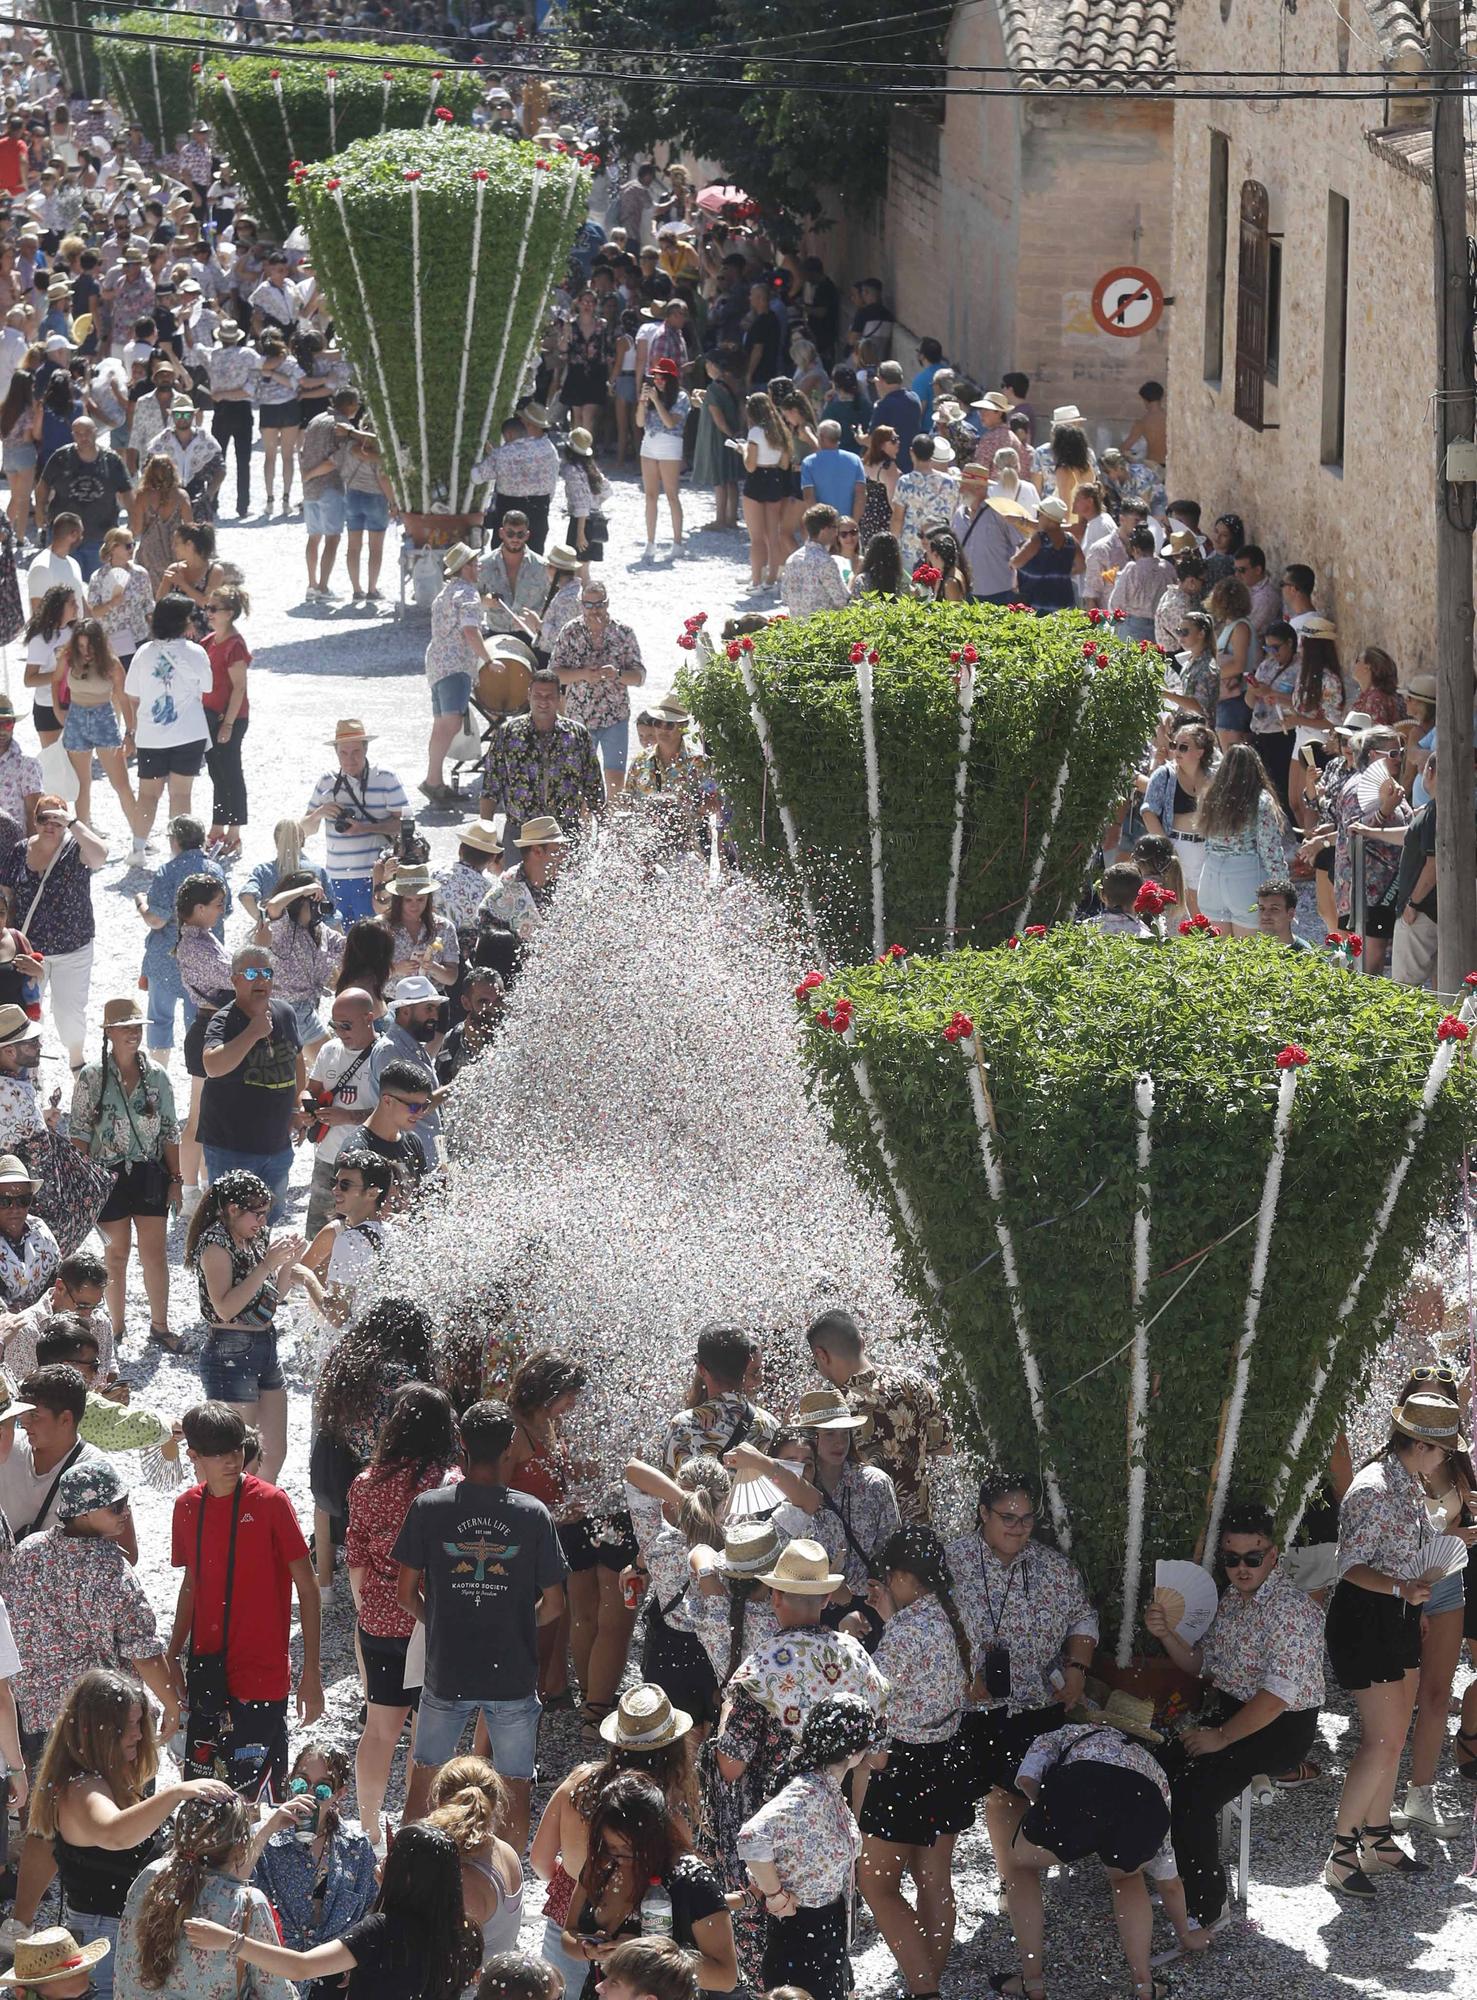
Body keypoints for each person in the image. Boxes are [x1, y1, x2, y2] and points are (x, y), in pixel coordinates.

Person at [701, 1538, 887, 1992]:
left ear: (777, 1596)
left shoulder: (762, 1667)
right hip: (828, 1823)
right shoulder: (857, 1658)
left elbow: (730, 1764)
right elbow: (877, 1754)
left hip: (771, 1825)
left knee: (775, 1944)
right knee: (823, 1941)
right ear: (825, 1599)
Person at [393, 1398, 566, 1839]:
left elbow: (405, 1594)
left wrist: (443, 1619)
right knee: (515, 1784)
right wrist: (518, 1623)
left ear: (461, 1445)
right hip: (511, 1674)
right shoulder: (532, 1515)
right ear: (511, 1446)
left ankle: (412, 1869)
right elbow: (556, 1604)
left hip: (447, 1669)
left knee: (427, 1777)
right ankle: (504, 1884)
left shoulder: (430, 1507)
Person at [1150, 1500, 1326, 1928]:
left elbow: (1276, 1698)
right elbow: (1202, 1663)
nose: (1241, 1568)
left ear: (1272, 1555)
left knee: (1193, 1794)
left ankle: (1209, 1908)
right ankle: (1173, 1879)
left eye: (1252, 1558)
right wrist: (1166, 1635)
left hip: (1279, 1730)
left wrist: (1221, 1737)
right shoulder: (1232, 1599)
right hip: (1234, 1713)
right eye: (1231, 1559)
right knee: (1155, 1767)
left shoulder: (1291, 1612)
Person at [1323, 1393, 1466, 1896]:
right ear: (1423, 1445)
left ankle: (1378, 1840)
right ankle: (1341, 1854)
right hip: (1366, 1621)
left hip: (1398, 1616)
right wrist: (1402, 1590)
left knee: (1393, 1739)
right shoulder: (1373, 1488)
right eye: (1445, 1452)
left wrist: (1412, 1604)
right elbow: (1350, 1566)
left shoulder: (1407, 1482)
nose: (1446, 1462)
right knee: (1379, 1742)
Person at [18, 1672, 234, 1990]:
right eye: (129, 1726)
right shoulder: (82, 1790)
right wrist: (177, 1793)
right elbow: (115, 1835)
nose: (137, 1735)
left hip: (126, 1937)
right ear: (96, 1731)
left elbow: (45, 1845)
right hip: (105, 1943)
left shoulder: (109, 1783)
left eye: (139, 1723)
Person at [985, 1717, 1207, 2000]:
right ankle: (1144, 1984)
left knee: (1020, 1865)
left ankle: (1033, 1982)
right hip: (1142, 1802)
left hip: (1079, 1788)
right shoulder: (1153, 1767)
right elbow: (1169, 1881)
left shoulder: (1065, 1733)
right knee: (1127, 1877)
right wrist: (1186, 1935)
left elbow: (1027, 1779)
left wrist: (1054, 1821)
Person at [168, 1400, 323, 1799]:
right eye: (218, 1453)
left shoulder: (272, 1502)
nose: (231, 1460)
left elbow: (308, 1588)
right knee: (205, 1794)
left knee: (261, 1797)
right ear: (194, 1456)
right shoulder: (186, 1507)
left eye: (236, 1449)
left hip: (263, 1672)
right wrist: (172, 1653)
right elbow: (192, 1583)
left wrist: (311, 1673)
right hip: (206, 1670)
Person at [186, 1821, 483, 2000]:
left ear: (408, 1876)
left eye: (394, 1855)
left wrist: (230, 1941)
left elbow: (301, 1967)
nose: (383, 1858)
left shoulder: (381, 1931)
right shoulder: (466, 1935)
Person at [345, 1383, 459, 1848]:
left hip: (378, 1619)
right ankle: (414, 1831)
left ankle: (368, 1827)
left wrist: (367, 1609)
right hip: (430, 1623)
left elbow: (356, 1556)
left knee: (378, 1730)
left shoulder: (365, 1482)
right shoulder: (448, 1484)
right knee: (425, 1737)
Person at [947, 1471, 1097, 1802]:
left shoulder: (1053, 1567)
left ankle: (1014, 1855)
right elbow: (930, 1627)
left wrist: (1078, 1668)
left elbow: (1083, 1617)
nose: (1019, 1527)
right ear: (984, 1513)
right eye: (1008, 1518)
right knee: (955, 1811)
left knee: (1029, 1807)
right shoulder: (951, 1564)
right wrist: (961, 1677)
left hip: (1039, 1703)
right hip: (975, 1709)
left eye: (1027, 1519)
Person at [738, 1695, 871, 2000]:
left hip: (824, 1928)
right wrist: (775, 1896)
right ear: (854, 1751)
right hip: (801, 1932)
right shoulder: (808, 1789)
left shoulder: (824, 1784)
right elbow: (752, 1837)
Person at [68, 997, 181, 1352]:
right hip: (107, 1176)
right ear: (110, 1033)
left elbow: (169, 1131)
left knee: (155, 1253)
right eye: (126, 1027)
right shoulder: (91, 1077)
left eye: (137, 1028)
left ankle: (159, 1326)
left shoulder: (158, 1076)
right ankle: (116, 1328)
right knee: (115, 1255)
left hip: (149, 1172)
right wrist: (83, 1184)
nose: (134, 1033)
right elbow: (80, 1133)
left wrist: (176, 1180)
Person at [560, 1770, 735, 1994]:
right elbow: (568, 1935)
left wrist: (644, 1956)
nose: (619, 1859)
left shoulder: (693, 1881)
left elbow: (726, 1977)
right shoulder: (601, 1865)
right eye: (611, 1847)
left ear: (655, 1838)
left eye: (629, 1849)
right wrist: (588, 1950)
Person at [115, 1790, 301, 2000]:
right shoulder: (248, 1904)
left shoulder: (152, 1876)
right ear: (240, 1847)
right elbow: (276, 1992)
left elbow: (125, 1972)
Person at [310, 1296, 434, 1600]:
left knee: (322, 1509)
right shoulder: (403, 1376)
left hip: (337, 1460)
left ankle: (324, 1586)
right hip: (381, 1469)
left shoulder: (343, 1358)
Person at [805, 1307, 953, 1523]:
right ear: (862, 1342)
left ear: (821, 1355)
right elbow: (944, 1447)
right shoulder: (914, 1382)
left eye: (814, 1362)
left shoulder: (834, 1412)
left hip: (866, 1537)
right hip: (918, 1532)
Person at [196, 945, 306, 1221]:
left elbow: (297, 1060)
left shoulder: (285, 1012)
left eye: (267, 972)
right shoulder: (224, 1020)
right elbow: (212, 1066)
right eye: (252, 973)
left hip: (278, 1147)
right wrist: (252, 1033)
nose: (261, 980)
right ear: (234, 980)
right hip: (231, 1150)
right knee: (230, 1226)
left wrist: (296, 1108)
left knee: (268, 1221)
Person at [0, 798, 107, 1071]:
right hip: (28, 949)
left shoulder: (75, 848)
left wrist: (72, 822)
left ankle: (76, 1062)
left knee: (69, 1015)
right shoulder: (20, 850)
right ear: (34, 821)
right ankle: (28, 1071)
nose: (50, 824)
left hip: (73, 949)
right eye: (44, 818)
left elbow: (100, 855)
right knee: (26, 1011)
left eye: (56, 819)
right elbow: (8, 899)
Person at [250, 1743, 378, 1957]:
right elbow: (230, 1882)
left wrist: (356, 1956)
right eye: (301, 1783)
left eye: (322, 1789)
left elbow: (370, 1910)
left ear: (339, 1794)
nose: (309, 1794)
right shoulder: (264, 1837)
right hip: (273, 1964)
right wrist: (268, 1828)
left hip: (330, 1967)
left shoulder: (356, 1847)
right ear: (290, 1782)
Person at [124, 592, 212, 858]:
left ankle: (138, 850)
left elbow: (132, 694)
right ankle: (179, 854)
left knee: (148, 795)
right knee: (181, 795)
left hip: (152, 735)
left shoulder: (143, 653)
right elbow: (207, 687)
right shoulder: (196, 652)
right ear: (181, 622)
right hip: (188, 733)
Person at [302, 987, 393, 1235]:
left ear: (368, 1018)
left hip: (367, 1167)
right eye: (335, 1025)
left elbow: (393, 1111)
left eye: (346, 1025)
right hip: (328, 1159)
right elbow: (310, 1089)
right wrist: (308, 1107)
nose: (340, 1032)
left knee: (363, 1236)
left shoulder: (385, 1054)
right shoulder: (329, 1050)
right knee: (319, 1236)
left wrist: (349, 1117)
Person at [303, 720, 408, 924]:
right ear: (336, 753)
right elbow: (304, 831)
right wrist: (320, 813)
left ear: (366, 749)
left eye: (356, 752)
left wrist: (366, 828)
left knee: (373, 941)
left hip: (376, 876)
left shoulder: (386, 777)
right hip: (335, 877)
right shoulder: (327, 781)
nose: (350, 759)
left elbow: (406, 824)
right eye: (344, 753)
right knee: (340, 946)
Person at [549, 584, 646, 801]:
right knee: (579, 780)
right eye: (589, 605)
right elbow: (554, 674)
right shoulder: (570, 631)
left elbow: (640, 676)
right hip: (579, 717)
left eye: (599, 604)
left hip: (615, 716)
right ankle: (582, 830)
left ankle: (610, 828)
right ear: (581, 605)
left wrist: (617, 674)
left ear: (608, 603)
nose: (594, 610)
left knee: (615, 778)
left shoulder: (624, 632)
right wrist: (583, 674)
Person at [424, 1757, 526, 1964]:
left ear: (439, 1803)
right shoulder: (506, 1852)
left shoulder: (463, 1880)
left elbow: (440, 1960)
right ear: (495, 1804)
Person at [424, 543, 501, 808]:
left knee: (441, 724)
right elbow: (470, 631)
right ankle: (433, 781)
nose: (478, 566)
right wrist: (489, 660)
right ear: (465, 567)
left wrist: (484, 604)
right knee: (451, 724)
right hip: (456, 664)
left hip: (437, 664)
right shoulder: (468, 593)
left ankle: (434, 779)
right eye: (474, 562)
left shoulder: (447, 592)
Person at [1193, 742, 1288, 939]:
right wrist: (1284, 890)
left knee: (1219, 954)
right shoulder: (1261, 800)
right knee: (1248, 954)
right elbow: (1270, 850)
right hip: (1245, 875)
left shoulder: (1210, 795)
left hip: (1211, 874)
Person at [57, 617, 133, 831]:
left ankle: (139, 834)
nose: (85, 650)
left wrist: (130, 732)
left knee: (121, 783)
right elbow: (55, 680)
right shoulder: (69, 657)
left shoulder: (111, 663)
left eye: (89, 645)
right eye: (80, 645)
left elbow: (124, 698)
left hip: (103, 719)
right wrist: (57, 709)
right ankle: (83, 835)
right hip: (77, 718)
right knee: (82, 784)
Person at [42, 418, 130, 575]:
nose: (83, 437)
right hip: (65, 537)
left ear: (96, 432)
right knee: (63, 584)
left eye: (87, 432)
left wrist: (134, 523)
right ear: (73, 435)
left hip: (100, 537)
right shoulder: (61, 458)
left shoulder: (111, 460)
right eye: (78, 433)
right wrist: (40, 511)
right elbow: (43, 485)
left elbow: (127, 492)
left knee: (98, 587)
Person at [201, 582, 250, 858]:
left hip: (230, 717)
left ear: (229, 613)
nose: (208, 612)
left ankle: (234, 831)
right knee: (216, 772)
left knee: (231, 772)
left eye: (214, 608)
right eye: (208, 607)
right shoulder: (209, 641)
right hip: (210, 716)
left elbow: (239, 688)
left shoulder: (235, 645)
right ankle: (218, 826)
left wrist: (228, 724)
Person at [636, 359, 688, 558]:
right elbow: (640, 422)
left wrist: (657, 401)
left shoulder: (681, 397)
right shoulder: (650, 397)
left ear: (671, 379)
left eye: (662, 378)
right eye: (655, 377)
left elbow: (670, 423)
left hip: (670, 445)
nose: (658, 381)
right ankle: (650, 542)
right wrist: (643, 401)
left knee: (671, 495)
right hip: (649, 443)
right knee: (650, 496)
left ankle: (677, 542)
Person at [741, 392, 791, 594]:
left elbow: (750, 466)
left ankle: (755, 582)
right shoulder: (780, 432)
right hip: (774, 478)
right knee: (773, 535)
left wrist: (743, 450)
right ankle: (771, 581)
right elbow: (785, 463)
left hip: (757, 480)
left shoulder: (754, 433)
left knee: (756, 537)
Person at [0, 1154, 58, 1314]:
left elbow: (57, 1285)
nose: (15, 1208)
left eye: (22, 1200)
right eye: (4, 1201)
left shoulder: (41, 1233)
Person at [780, 504, 848, 619]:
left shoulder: (792, 559)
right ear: (824, 529)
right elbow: (841, 600)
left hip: (797, 630)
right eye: (835, 527)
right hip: (822, 630)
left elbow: (785, 597)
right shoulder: (825, 562)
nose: (836, 532)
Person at [1255, 878, 1315, 952]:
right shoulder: (1249, 952)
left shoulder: (1306, 956)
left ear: (1290, 914)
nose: (1265, 915)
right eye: (1262, 908)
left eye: (1274, 909)